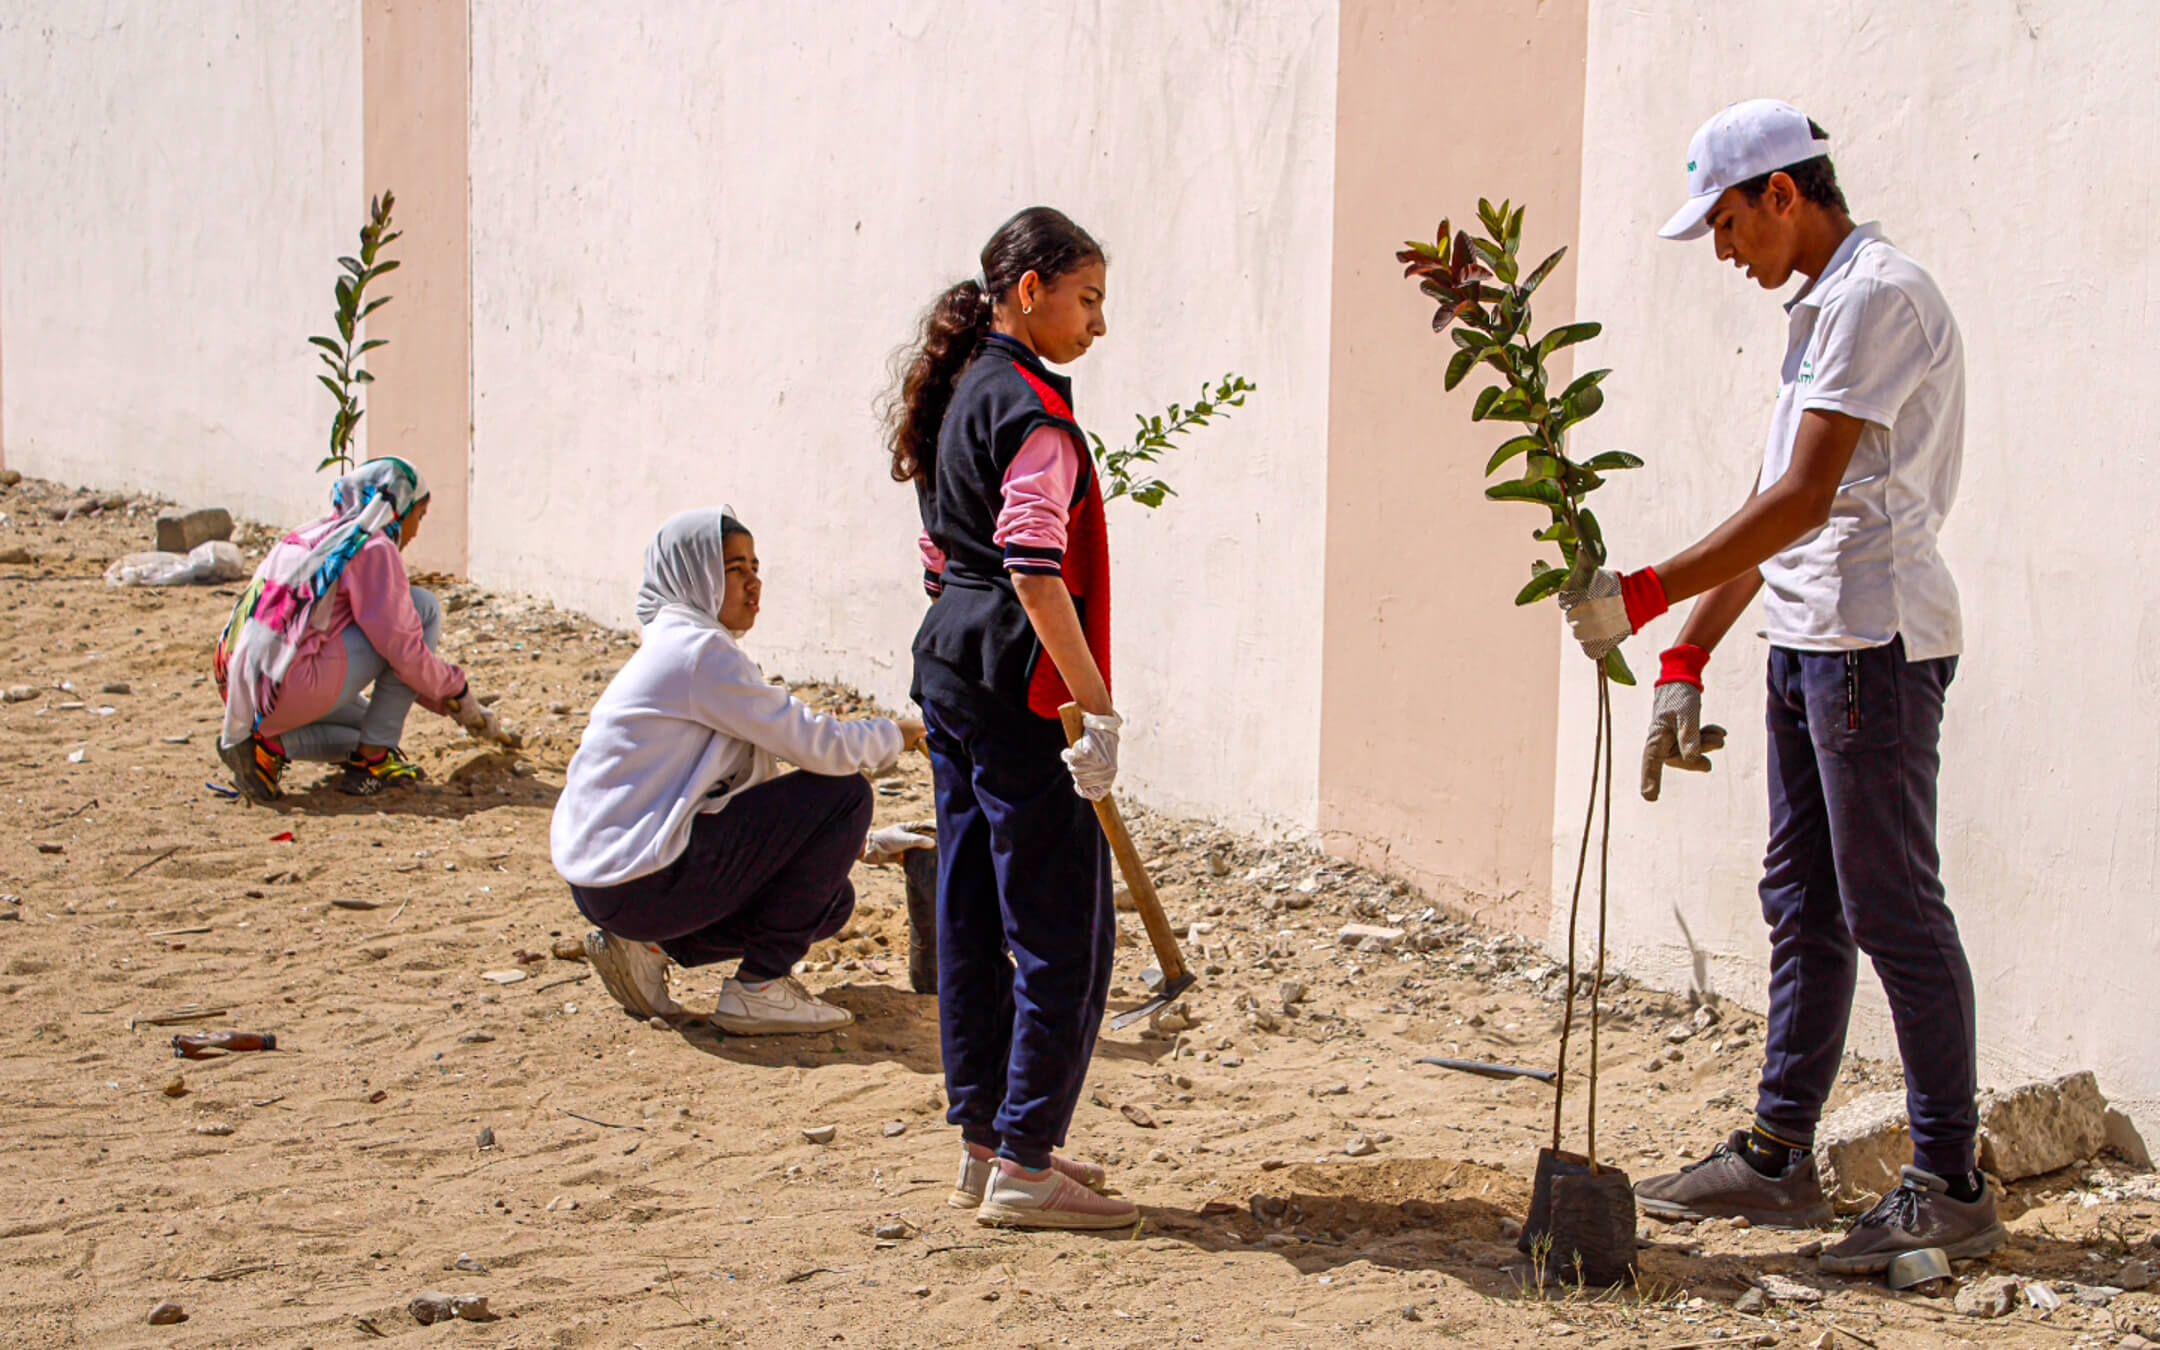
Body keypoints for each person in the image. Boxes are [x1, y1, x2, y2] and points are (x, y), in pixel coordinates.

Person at [1555, 99, 1999, 1273]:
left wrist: (1641, 594)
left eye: (1729, 221)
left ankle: (1950, 1179)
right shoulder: (1816, 311)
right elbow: (1778, 523)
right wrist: (1690, 655)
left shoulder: (1877, 299)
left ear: (1785, 194)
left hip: (1873, 647)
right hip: (1809, 642)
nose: (1723, 248)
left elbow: (1805, 502)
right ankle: (1776, 1156)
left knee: (1892, 908)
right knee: (1801, 900)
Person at [889, 206, 1133, 1231]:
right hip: (1018, 689)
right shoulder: (1032, 411)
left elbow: (943, 557)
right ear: (1030, 291)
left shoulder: (958, 391)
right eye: (1088, 301)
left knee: (973, 912)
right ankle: (1027, 1163)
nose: (1098, 326)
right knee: (1061, 929)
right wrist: (1096, 709)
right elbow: (1035, 569)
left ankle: (986, 1143)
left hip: (950, 670)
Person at [550, 507, 923, 1035]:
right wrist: (896, 735)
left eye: (755, 567)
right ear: (694, 574)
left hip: (608, 886)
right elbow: (815, 744)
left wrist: (859, 845)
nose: (754, 583)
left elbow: (730, 792)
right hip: (639, 881)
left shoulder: (677, 644)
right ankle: (759, 989)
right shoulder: (699, 652)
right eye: (734, 569)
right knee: (845, 794)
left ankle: (649, 946)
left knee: (830, 903)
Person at [215, 456, 503, 800]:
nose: (416, 532)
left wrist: (453, 705)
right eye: (418, 517)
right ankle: (373, 761)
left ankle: (265, 749)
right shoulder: (372, 547)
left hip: (243, 687)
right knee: (422, 609)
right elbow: (405, 654)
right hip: (289, 686)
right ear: (398, 509)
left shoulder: (312, 534)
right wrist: (459, 695)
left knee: (366, 726)